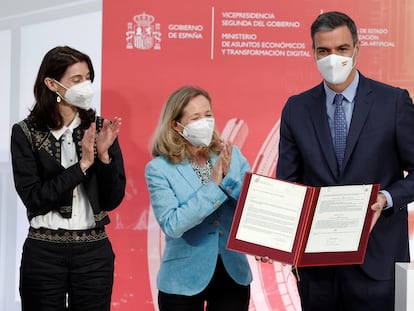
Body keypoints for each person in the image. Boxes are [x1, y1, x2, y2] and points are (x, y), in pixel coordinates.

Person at [276, 11, 414, 311]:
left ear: (357, 49)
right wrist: (270, 233)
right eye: (323, 51)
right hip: (317, 268)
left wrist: (387, 198)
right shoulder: (296, 109)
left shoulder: (393, 102)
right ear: (313, 52)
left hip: (381, 263)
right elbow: (287, 184)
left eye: (341, 49)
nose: (332, 58)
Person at [10, 46, 126, 311]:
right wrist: (83, 164)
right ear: (52, 83)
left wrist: (104, 157)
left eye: (88, 78)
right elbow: (35, 198)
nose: (85, 86)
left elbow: (113, 199)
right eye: (77, 80)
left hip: (94, 252)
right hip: (43, 251)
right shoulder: (25, 133)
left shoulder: (101, 129)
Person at [145, 85, 252, 311]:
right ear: (176, 125)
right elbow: (173, 225)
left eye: (208, 115)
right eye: (195, 117)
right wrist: (214, 186)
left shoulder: (232, 154)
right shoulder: (158, 169)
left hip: (233, 273)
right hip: (182, 280)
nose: (205, 122)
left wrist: (268, 244)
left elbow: (251, 206)